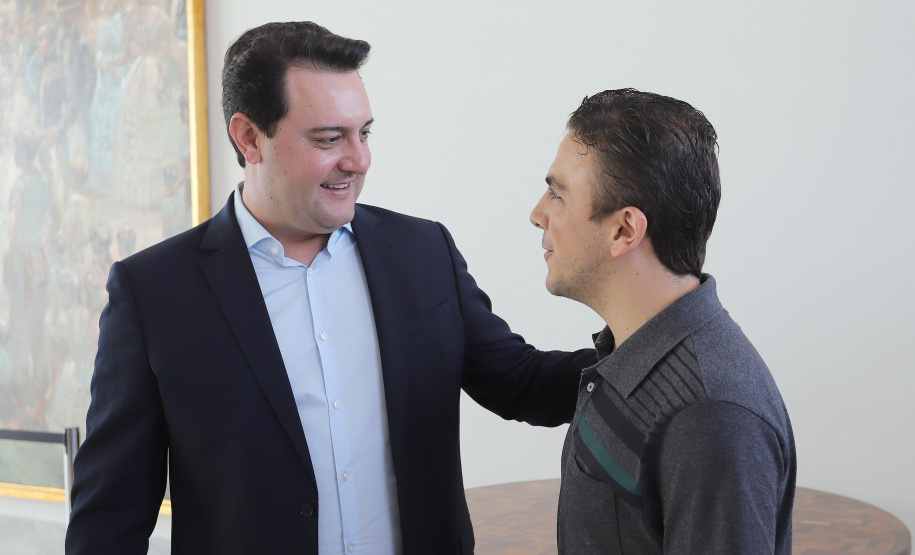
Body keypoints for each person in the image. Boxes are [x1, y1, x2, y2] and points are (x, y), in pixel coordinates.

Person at [64, 21, 594, 555]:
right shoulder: (154, 291)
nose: (358, 160)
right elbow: (110, 516)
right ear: (249, 137)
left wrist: (652, 342)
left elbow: (520, 381)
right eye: (329, 138)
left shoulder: (422, 251)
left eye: (363, 133)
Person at [530, 89, 796, 554]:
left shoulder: (710, 415)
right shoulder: (632, 360)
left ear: (625, 230)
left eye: (558, 194)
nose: (537, 214)